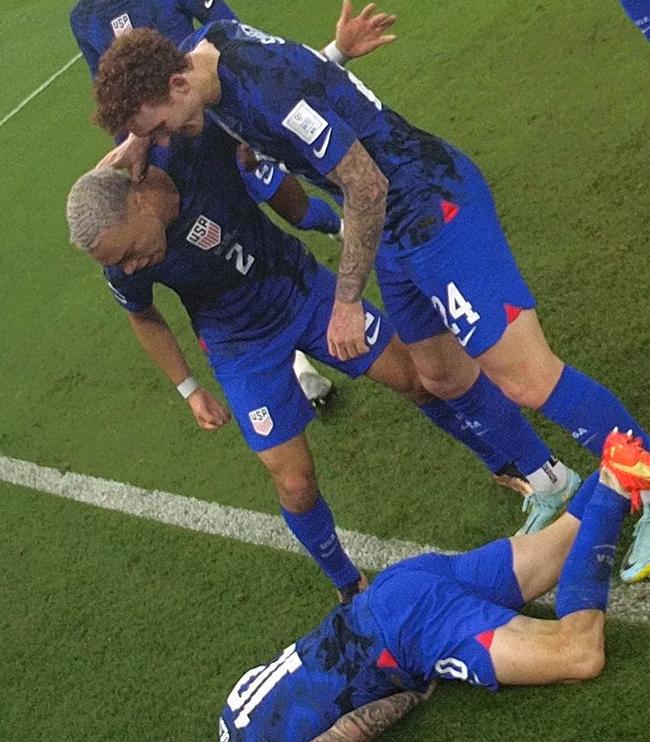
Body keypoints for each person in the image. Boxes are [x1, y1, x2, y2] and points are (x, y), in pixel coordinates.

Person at [90, 11, 650, 565]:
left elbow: (366, 184)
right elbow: (293, 87)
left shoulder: (261, 86)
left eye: (161, 126)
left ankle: (646, 482)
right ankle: (549, 482)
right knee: (440, 376)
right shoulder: (201, 53)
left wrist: (347, 302)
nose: (166, 141)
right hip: (393, 231)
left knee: (528, 378)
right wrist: (142, 141)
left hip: (430, 205)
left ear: (178, 82)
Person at [67, 122, 516, 602]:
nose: (130, 267)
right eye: (121, 264)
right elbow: (143, 316)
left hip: (304, 292)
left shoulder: (187, 153)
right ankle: (349, 587)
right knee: (295, 483)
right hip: (241, 350)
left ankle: (504, 462)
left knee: (421, 381)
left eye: (131, 254)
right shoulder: (121, 260)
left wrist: (278, 183)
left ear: (138, 203)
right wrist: (189, 388)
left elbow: (224, 99)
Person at [153, 430, 650, 742]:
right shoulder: (230, 711)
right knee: (558, 547)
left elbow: (343, 735)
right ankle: (625, 452)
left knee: (579, 653)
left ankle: (612, 480)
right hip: (396, 588)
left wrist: (411, 695)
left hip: (409, 635)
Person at [70, 0, 397, 407]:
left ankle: (339, 228)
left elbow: (222, 24)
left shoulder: (208, 77)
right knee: (225, 255)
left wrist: (232, 101)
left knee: (292, 207)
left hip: (217, 120)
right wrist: (143, 141)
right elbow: (110, 96)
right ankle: (296, 361)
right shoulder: (82, 18)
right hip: (173, 139)